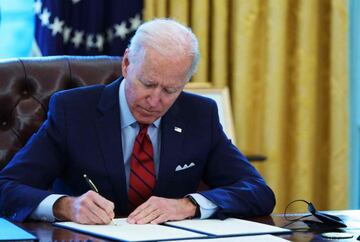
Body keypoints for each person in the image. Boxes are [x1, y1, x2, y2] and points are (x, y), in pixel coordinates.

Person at [0, 18, 275, 225]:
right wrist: (64, 206)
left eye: (170, 90)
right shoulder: (72, 111)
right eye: (147, 83)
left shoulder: (200, 115)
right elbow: (7, 187)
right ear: (127, 64)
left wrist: (189, 205)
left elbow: (257, 192)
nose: (155, 101)